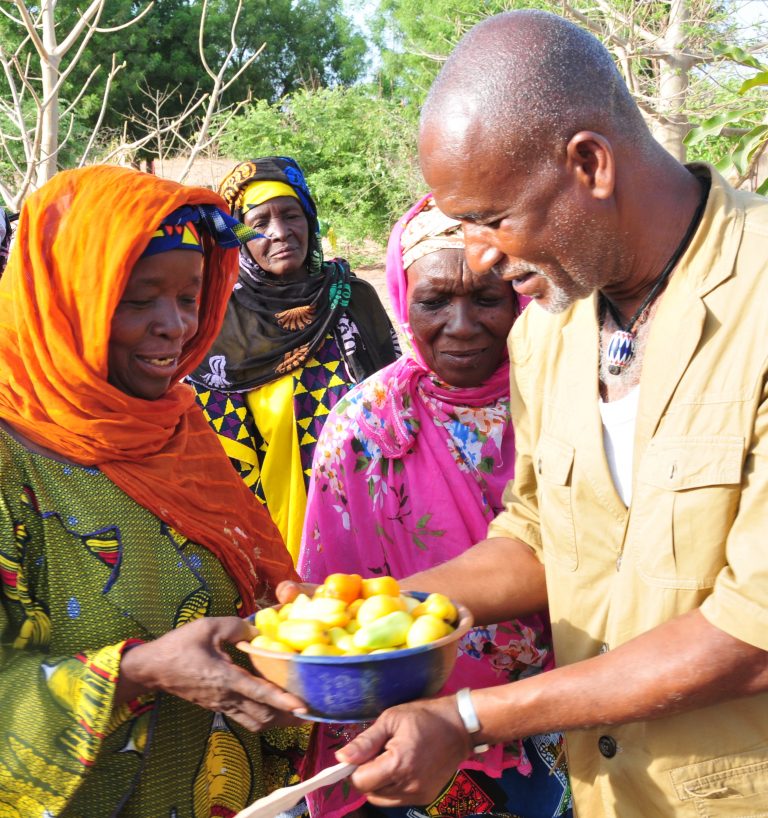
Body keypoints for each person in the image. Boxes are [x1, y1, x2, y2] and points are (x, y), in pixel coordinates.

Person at [293, 10, 768, 818]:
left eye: (490, 217)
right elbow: (541, 532)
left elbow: (752, 633)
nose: (478, 254)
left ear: (589, 163)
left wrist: (471, 719)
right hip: (607, 793)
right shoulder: (551, 328)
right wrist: (376, 613)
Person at [0, 165, 311, 816]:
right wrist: (137, 672)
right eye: (140, 299)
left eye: (190, 295)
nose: (176, 326)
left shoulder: (178, 427)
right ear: (68, 301)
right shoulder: (12, 463)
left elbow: (252, 584)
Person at [298, 194, 571, 818]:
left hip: (571, 707)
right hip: (414, 727)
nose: (462, 324)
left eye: (485, 297)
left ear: (518, 298)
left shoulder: (567, 403)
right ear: (401, 299)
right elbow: (336, 593)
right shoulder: (365, 426)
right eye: (434, 300)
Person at [188, 156, 399, 562]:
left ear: (310, 219)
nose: (280, 233)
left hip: (377, 521)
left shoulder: (353, 299)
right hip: (277, 538)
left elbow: (400, 408)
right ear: (236, 233)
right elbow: (222, 462)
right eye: (259, 222)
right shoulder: (219, 324)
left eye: (291, 216)